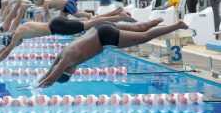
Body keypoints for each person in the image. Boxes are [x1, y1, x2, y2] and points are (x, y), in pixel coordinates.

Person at [37, 20, 188, 88]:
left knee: (144, 37)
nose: (74, 71)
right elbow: (50, 71)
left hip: (105, 37)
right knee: (139, 27)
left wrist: (37, 88)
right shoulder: (63, 53)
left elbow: (50, 78)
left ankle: (177, 25)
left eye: (71, 73)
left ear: (68, 71)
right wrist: (38, 81)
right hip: (98, 28)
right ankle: (156, 20)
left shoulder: (68, 61)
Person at [0, 8, 138, 65]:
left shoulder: (17, 35)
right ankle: (117, 13)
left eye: (15, 43)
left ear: (12, 39)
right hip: (55, 23)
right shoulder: (19, 28)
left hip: (57, 28)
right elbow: (7, 48)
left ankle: (120, 16)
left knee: (90, 23)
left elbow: (7, 50)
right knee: (89, 22)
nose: (18, 44)